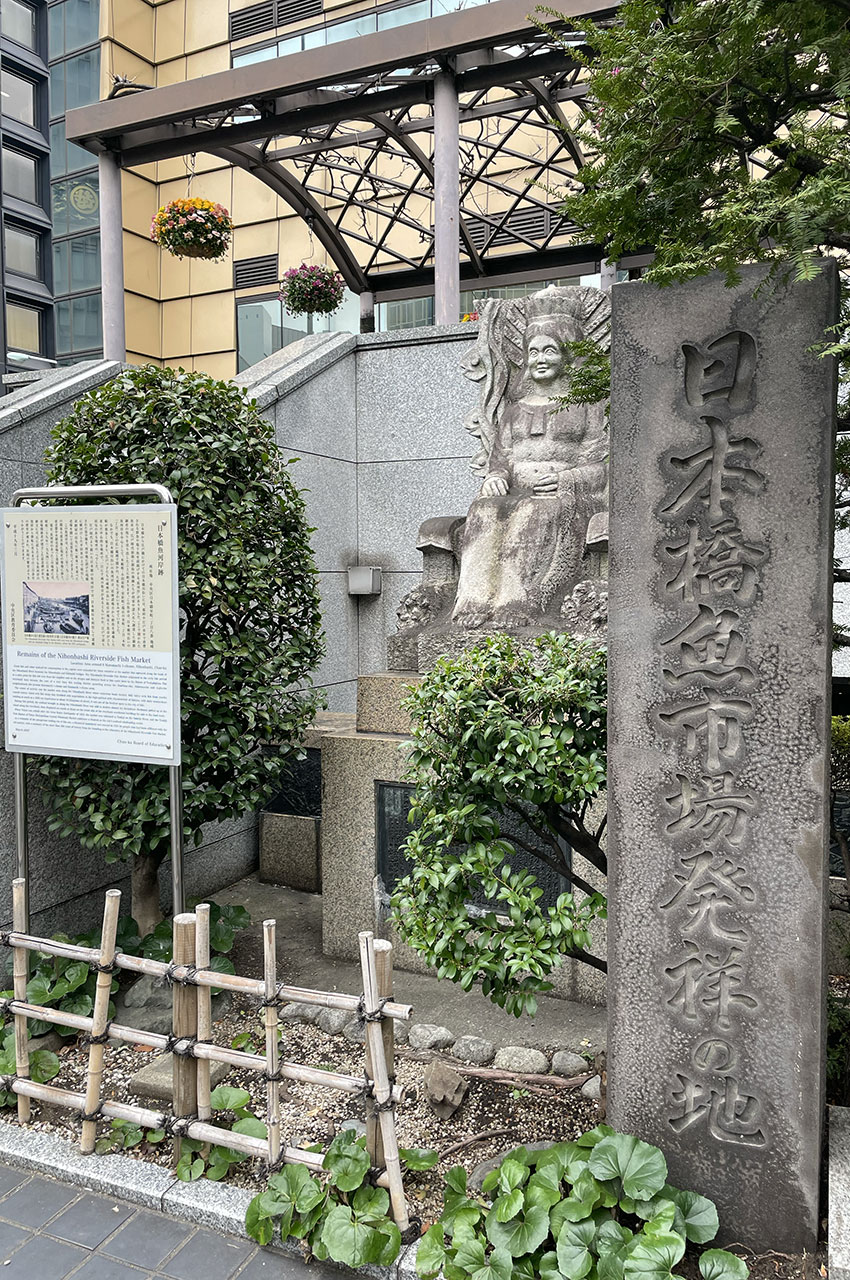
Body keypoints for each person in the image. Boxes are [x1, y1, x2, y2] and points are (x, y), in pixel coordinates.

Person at [451, 316, 608, 628]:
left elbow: (601, 467)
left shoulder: (588, 406)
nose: (540, 359)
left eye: (550, 350)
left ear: (567, 357)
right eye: (533, 352)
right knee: (482, 510)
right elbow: (500, 460)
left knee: (534, 511)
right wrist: (495, 477)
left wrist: (566, 479)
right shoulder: (513, 411)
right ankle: (475, 600)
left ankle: (518, 600)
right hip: (515, 493)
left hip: (566, 497)